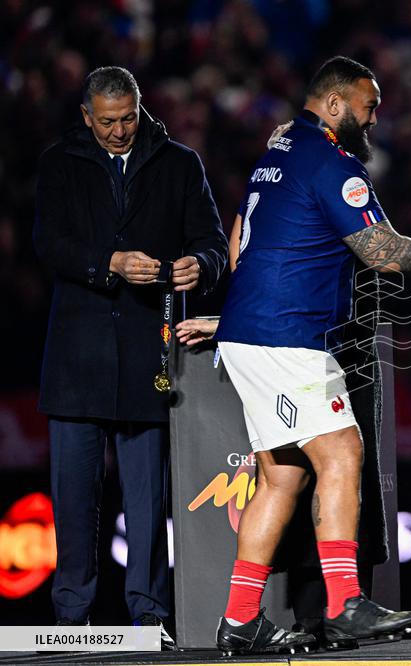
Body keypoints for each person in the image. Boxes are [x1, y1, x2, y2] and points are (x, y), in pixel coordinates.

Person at [205, 56, 411, 656]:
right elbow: (382, 251)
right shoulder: (333, 164)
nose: (374, 116)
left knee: (281, 476)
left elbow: (238, 240)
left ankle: (240, 619)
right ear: (334, 104)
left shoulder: (274, 156)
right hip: (289, 335)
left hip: (251, 332)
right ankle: (345, 605)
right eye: (368, 104)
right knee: (342, 451)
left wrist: (244, 310)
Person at [34, 66, 228, 647]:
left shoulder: (179, 162)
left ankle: (148, 616)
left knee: (148, 499)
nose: (121, 132)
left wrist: (204, 266)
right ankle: (72, 617)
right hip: (78, 359)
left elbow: (213, 241)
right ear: (87, 117)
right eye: (109, 122)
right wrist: (110, 263)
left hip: (150, 353)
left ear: (140, 109)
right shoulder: (58, 163)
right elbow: (49, 243)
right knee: (73, 498)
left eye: (129, 119)